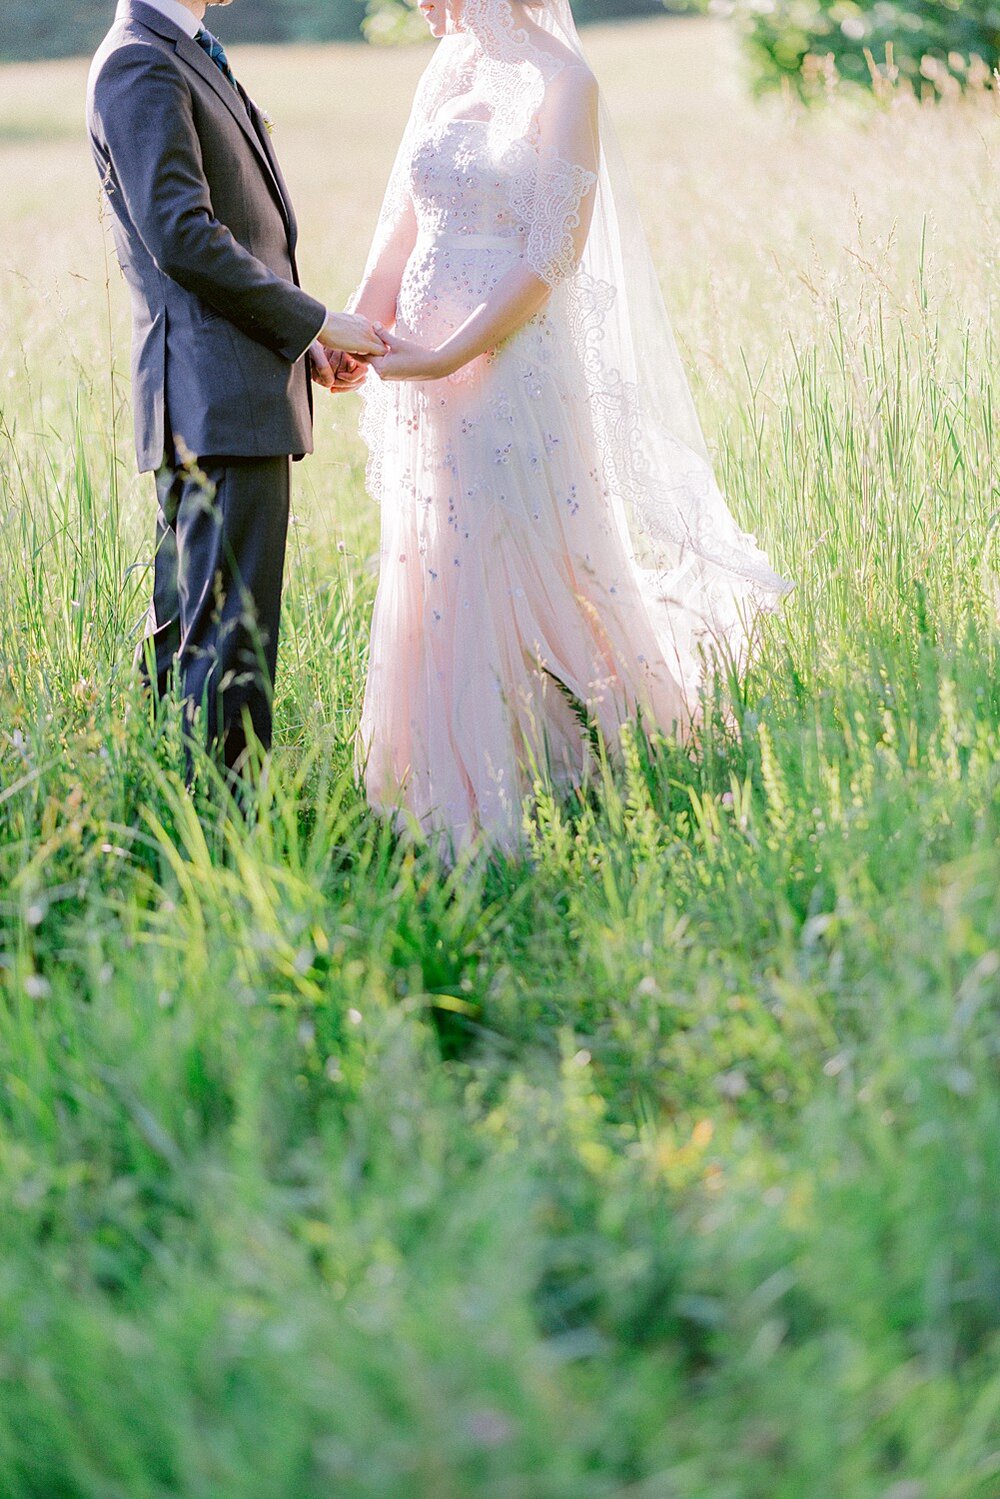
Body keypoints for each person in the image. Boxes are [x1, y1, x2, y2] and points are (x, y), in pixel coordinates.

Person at [349, 0, 795, 856]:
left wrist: (450, 352)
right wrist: (362, 330)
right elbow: (398, 228)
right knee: (434, 552)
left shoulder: (565, 83)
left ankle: (571, 758)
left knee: (521, 541)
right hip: (421, 359)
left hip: (509, 359)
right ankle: (437, 774)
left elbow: (552, 254)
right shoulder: (444, 73)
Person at [86, 0, 385, 784]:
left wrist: (305, 340)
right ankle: (225, 843)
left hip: (226, 392)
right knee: (227, 649)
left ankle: (172, 828)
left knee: (195, 635)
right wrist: (317, 315)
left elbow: (234, 233)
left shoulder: (182, 49)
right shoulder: (139, 61)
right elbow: (183, 237)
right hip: (212, 399)